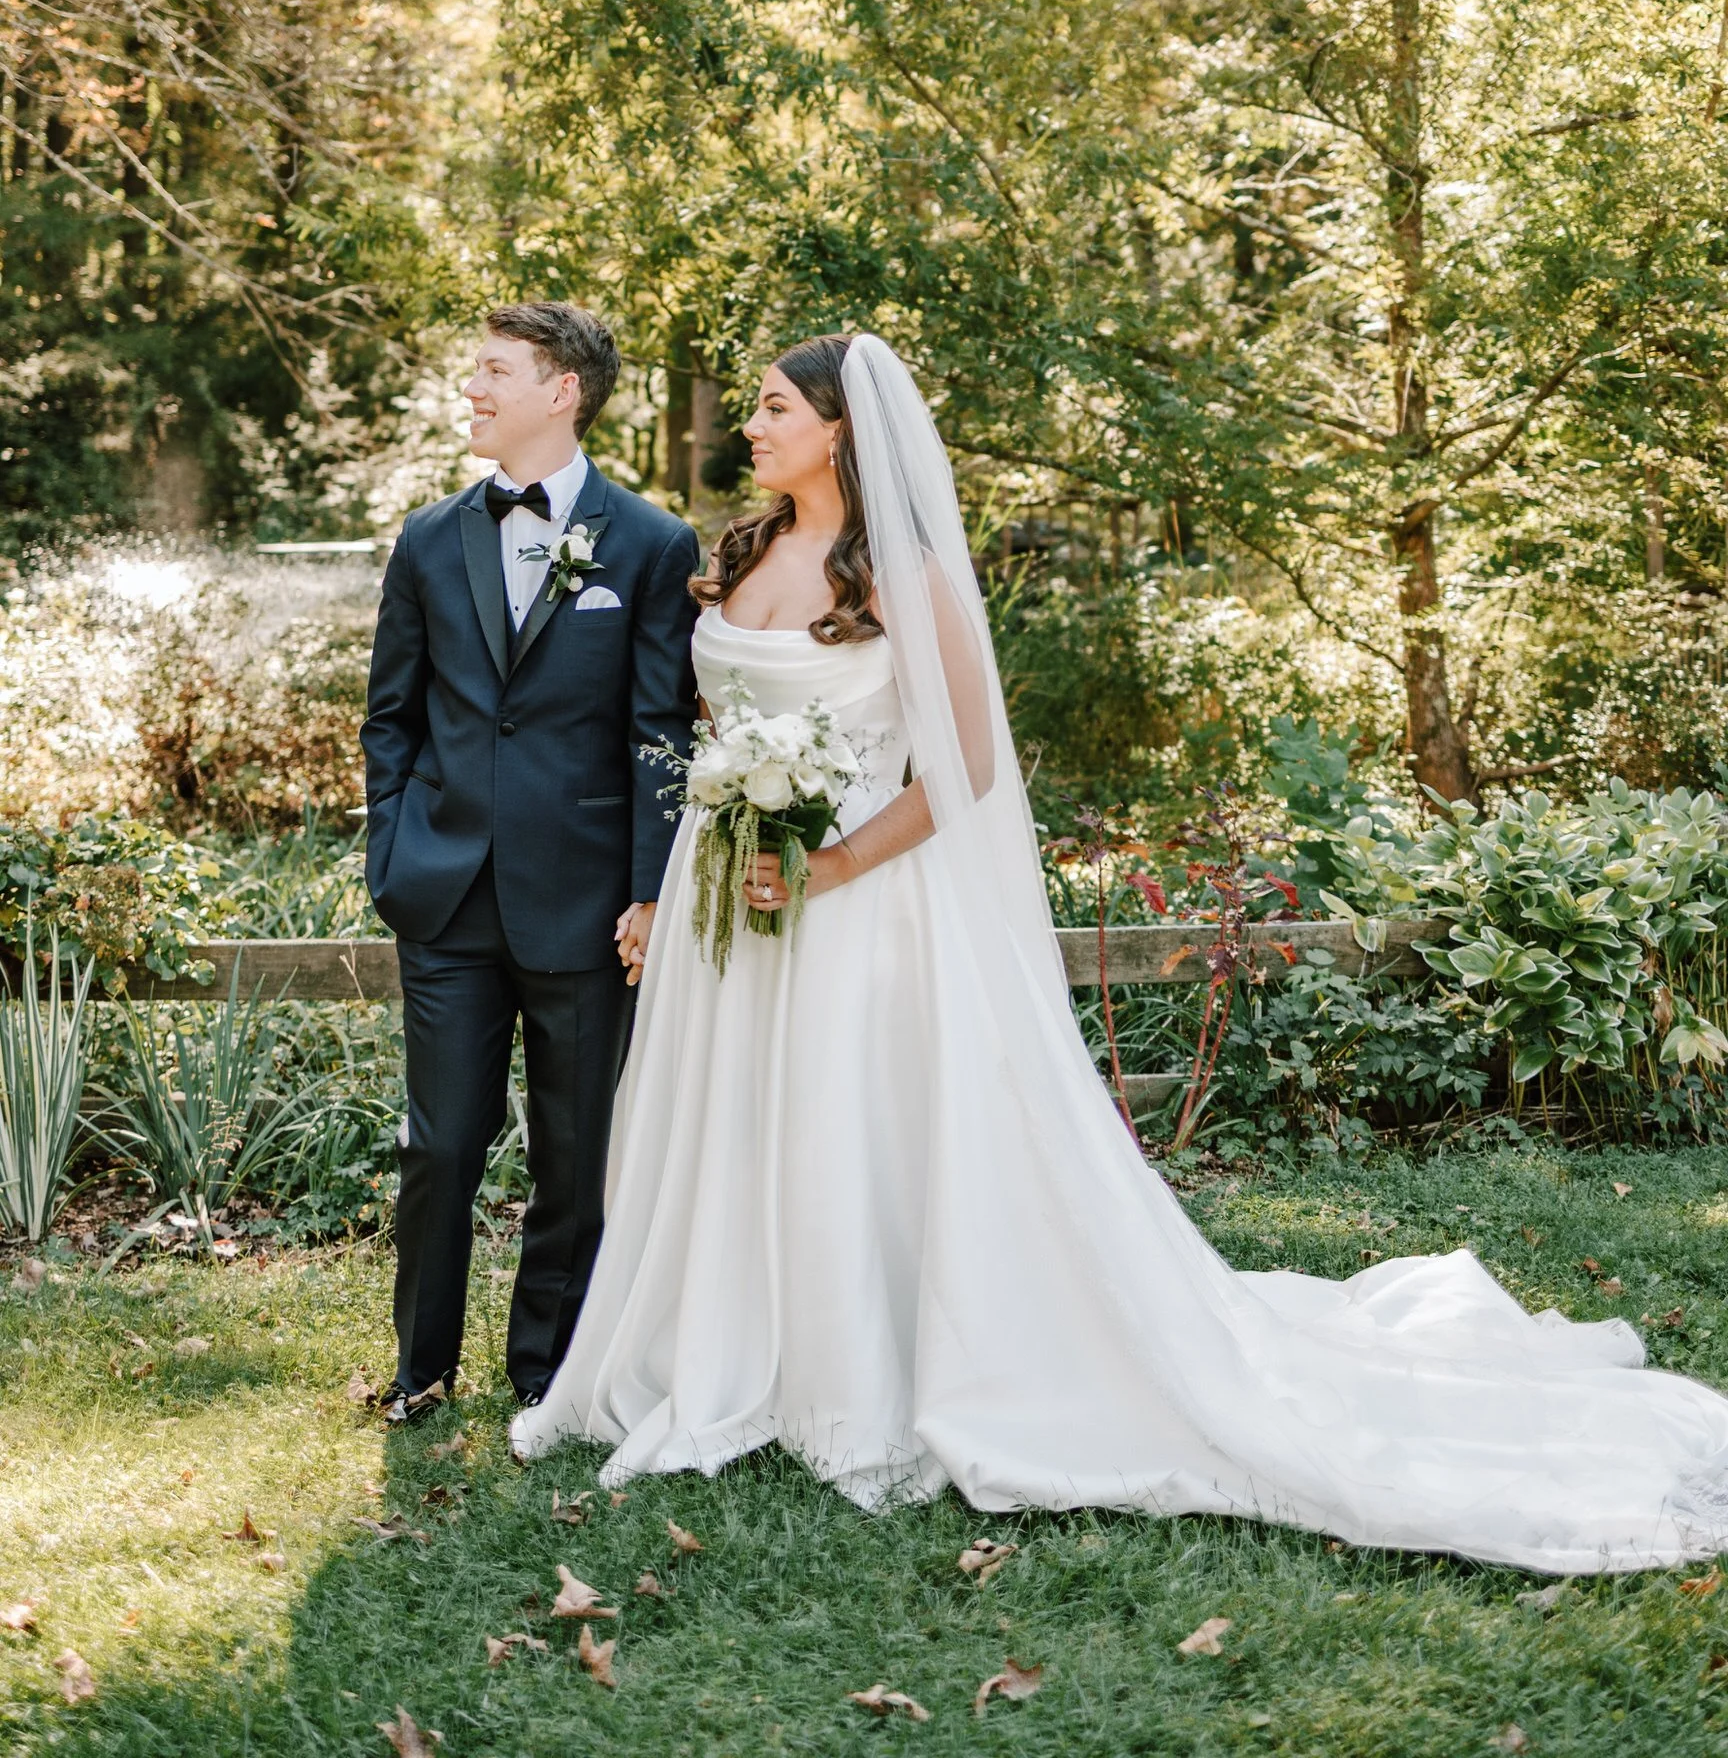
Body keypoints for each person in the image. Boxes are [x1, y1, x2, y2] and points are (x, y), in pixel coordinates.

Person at [509, 329, 1728, 1572]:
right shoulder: (747, 552)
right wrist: (718, 841)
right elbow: (713, 726)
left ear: (840, 431)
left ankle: (850, 1372)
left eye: (772, 409)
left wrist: (823, 863)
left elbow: (968, 769)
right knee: (741, 1124)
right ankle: (721, 1352)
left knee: (844, 1124)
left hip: (856, 906)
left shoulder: (909, 578)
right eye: (755, 411)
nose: (749, 429)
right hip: (733, 902)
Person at [361, 300, 699, 1423]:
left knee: (575, 1153)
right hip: (445, 894)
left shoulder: (651, 544)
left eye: (495, 371)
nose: (473, 388)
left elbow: (661, 729)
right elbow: (390, 719)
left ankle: (546, 1376)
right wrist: (391, 850)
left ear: (563, 391)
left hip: (588, 903)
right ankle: (422, 1369)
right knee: (442, 1145)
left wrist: (651, 888)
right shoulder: (426, 538)